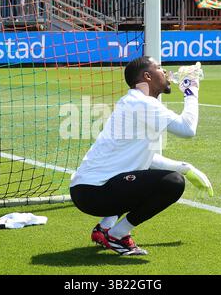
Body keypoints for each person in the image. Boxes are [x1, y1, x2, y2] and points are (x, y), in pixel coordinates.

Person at [70, 57, 213, 256]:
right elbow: (187, 129)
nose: (165, 72)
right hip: (94, 192)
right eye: (160, 68)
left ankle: (105, 229)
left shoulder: (136, 102)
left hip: (87, 191)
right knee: (173, 182)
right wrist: (190, 90)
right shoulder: (141, 103)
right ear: (147, 76)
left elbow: (145, 159)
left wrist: (186, 168)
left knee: (148, 174)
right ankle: (117, 235)